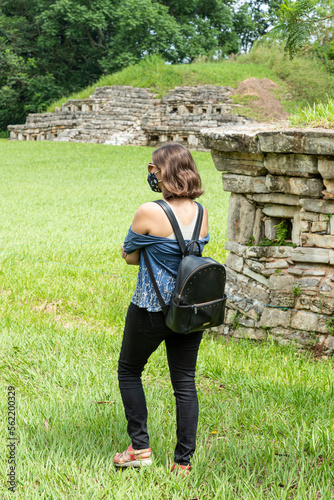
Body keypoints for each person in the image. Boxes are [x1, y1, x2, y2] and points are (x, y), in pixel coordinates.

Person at [114, 143, 209, 474]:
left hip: (150, 309)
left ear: (164, 171)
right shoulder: (201, 212)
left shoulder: (149, 211)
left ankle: (139, 448)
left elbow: (129, 255)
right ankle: (182, 463)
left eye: (153, 167)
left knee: (129, 371)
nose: (150, 173)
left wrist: (148, 250)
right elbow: (191, 254)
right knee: (185, 383)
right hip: (189, 312)